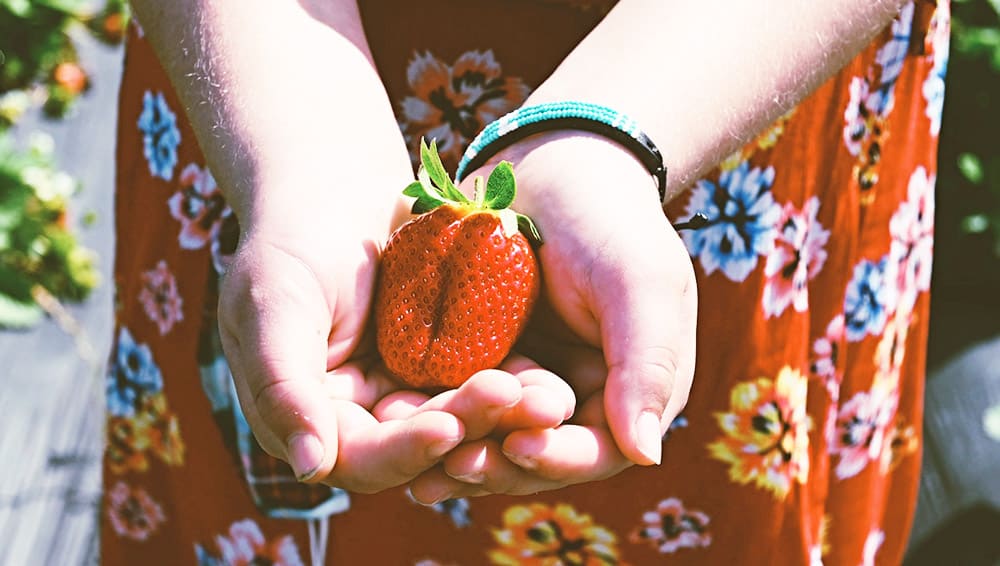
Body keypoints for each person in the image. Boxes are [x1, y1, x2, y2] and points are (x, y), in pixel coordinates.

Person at [102, 0, 949, 563]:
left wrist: (600, 139)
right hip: (271, 88)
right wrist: (305, 155)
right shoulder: (298, 145)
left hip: (734, 81)